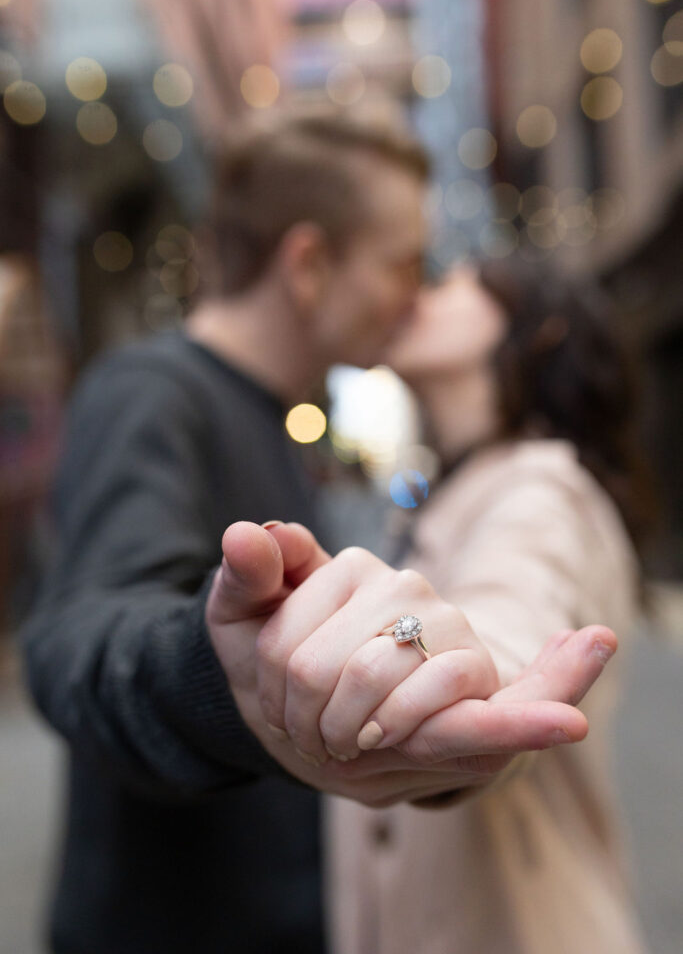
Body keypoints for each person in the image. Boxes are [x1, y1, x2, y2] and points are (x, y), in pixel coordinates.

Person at [21, 109, 618, 954]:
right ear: (308, 264)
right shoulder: (150, 393)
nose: (413, 295)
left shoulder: (276, 419)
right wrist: (225, 678)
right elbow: (77, 635)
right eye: (402, 263)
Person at [324, 263, 653, 954]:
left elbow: (514, 606)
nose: (417, 293)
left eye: (450, 284)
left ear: (537, 331)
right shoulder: (452, 488)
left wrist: (474, 680)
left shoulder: (542, 489)